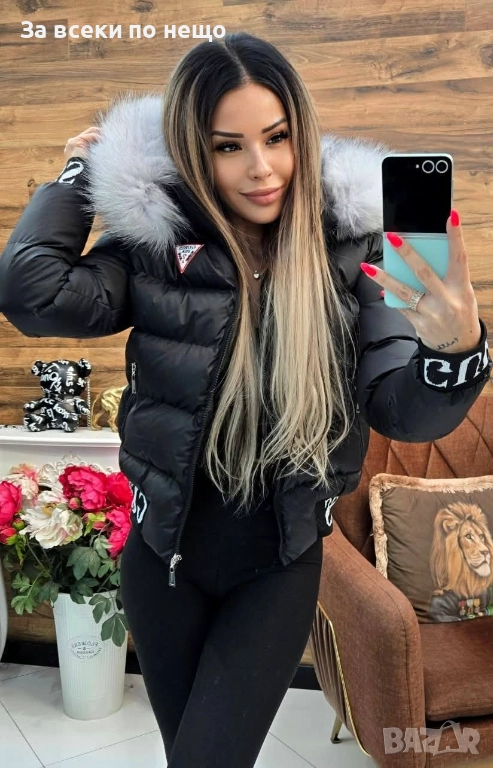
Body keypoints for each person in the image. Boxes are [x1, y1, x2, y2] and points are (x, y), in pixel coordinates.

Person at [0, 31, 491, 768]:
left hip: (277, 565)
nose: (260, 168)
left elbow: (402, 412)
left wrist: (455, 350)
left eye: (277, 137)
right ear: (193, 153)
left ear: (302, 133)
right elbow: (33, 294)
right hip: (162, 561)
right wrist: (78, 174)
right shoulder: (156, 244)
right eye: (228, 147)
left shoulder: (357, 247)